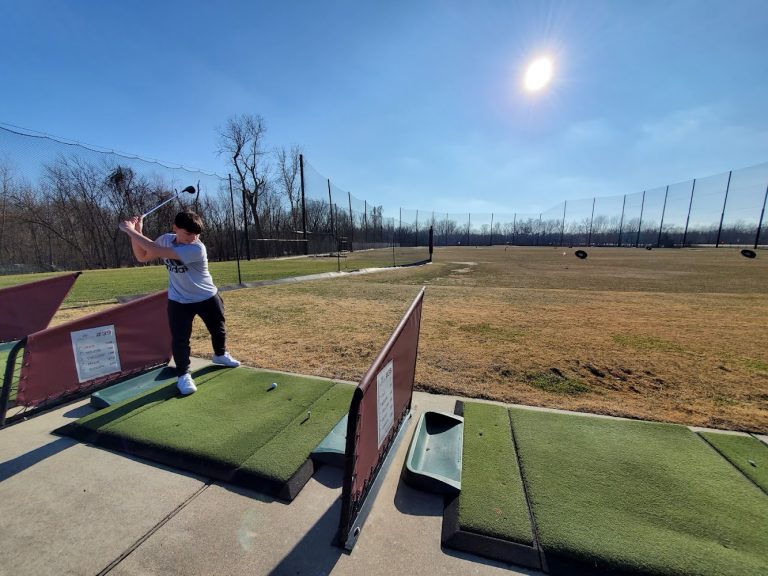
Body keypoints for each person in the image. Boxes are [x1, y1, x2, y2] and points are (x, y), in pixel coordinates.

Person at [118, 211, 240, 395]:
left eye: (196, 234)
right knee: (180, 339)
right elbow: (142, 256)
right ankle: (183, 375)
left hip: (206, 296)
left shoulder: (196, 248)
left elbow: (156, 250)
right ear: (175, 228)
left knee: (218, 329)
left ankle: (220, 355)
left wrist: (130, 231)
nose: (193, 238)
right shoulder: (166, 239)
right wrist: (137, 231)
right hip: (179, 299)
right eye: (188, 234)